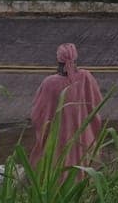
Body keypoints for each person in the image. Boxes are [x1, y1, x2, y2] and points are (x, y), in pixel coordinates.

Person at [27, 43, 104, 177]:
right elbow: (96, 104)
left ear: (58, 61)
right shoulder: (86, 77)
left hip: (57, 141)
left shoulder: (49, 83)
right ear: (75, 59)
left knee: (56, 171)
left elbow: (38, 116)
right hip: (84, 139)